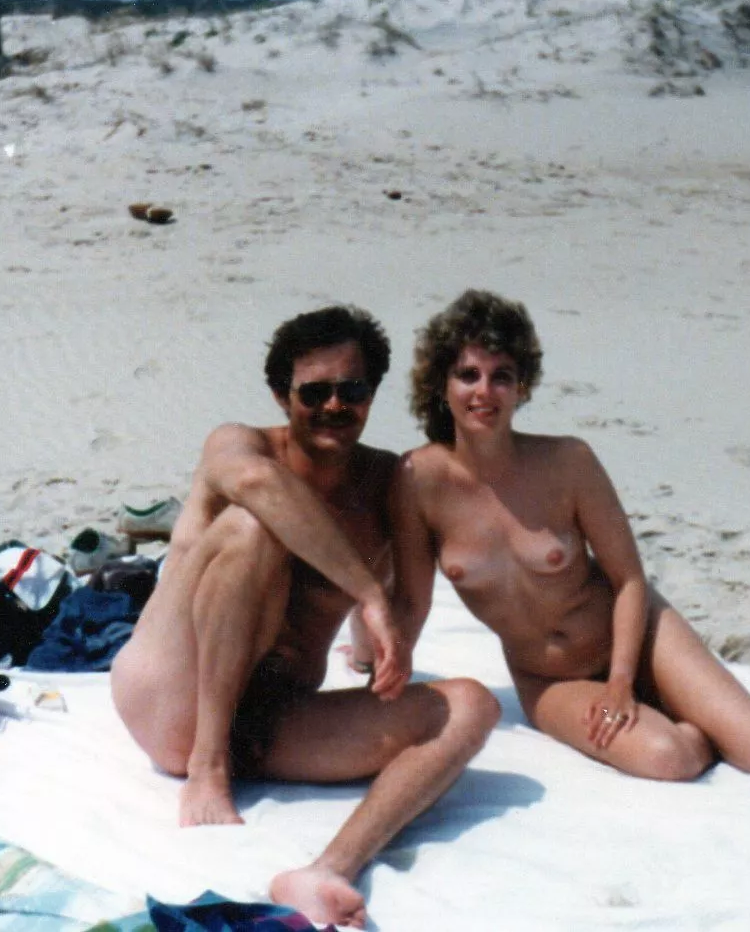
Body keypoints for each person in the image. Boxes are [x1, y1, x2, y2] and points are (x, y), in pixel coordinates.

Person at [110, 305, 501, 929]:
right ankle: (208, 767)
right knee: (251, 531)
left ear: (373, 393)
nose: (333, 407)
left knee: (471, 706)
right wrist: (368, 593)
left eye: (353, 390)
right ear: (280, 394)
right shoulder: (239, 446)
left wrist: (381, 651)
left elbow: (408, 600)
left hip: (270, 720)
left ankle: (329, 869)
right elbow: (261, 489)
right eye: (313, 392)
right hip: (174, 705)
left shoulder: (383, 482)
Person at [388, 290, 750, 783]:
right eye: (468, 375)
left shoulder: (568, 462)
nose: (484, 392)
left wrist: (622, 681)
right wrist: (384, 668)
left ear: (523, 387)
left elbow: (628, 579)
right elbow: (412, 600)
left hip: (640, 637)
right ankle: (714, 718)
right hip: (549, 678)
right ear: (441, 383)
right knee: (671, 758)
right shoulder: (418, 481)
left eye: (502, 377)